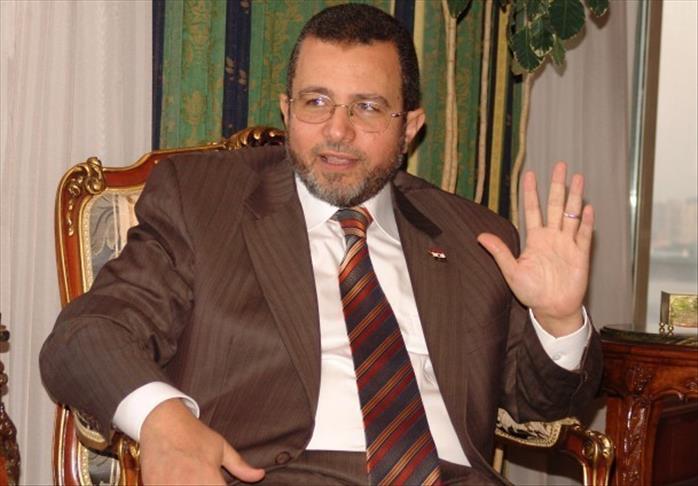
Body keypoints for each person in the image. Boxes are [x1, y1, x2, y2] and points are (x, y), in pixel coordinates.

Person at [40, 3, 601, 485]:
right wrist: (166, 420)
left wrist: (558, 321)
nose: (337, 131)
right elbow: (88, 334)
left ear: (410, 128)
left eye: (367, 107)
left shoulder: (472, 236)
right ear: (287, 111)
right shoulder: (204, 201)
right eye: (316, 102)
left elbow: (540, 406)